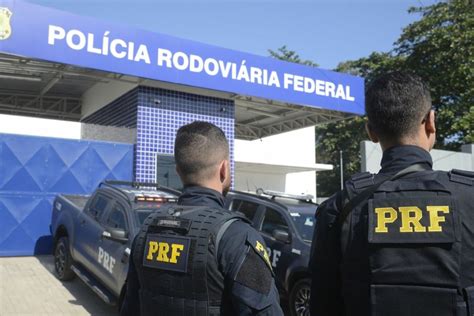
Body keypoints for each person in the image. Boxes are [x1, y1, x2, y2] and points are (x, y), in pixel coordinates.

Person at [309, 72, 474, 316]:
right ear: (431, 121)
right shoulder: (469, 199)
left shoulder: (340, 208)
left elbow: (323, 305)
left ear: (371, 132)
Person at [120, 121, 283, 316]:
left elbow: (130, 307)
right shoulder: (236, 237)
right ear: (224, 169)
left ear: (178, 171)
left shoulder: (146, 232)